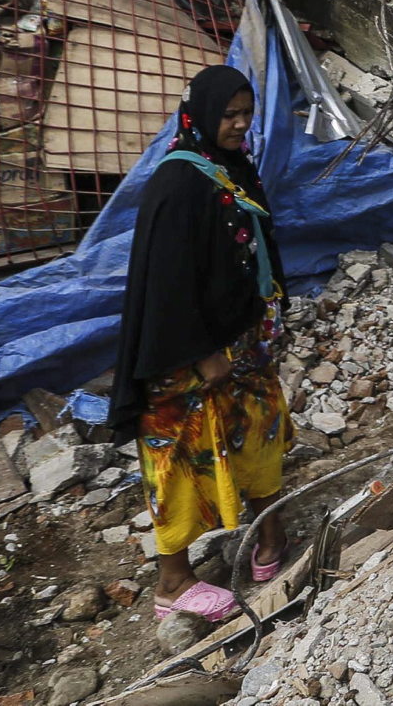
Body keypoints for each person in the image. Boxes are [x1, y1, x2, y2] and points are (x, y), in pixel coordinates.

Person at [110, 66, 290, 623]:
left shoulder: (229, 167)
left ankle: (270, 536)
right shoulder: (177, 184)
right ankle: (172, 581)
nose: (239, 124)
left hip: (242, 342)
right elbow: (164, 282)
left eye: (246, 113)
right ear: (201, 114)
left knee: (258, 431)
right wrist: (200, 351)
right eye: (228, 115)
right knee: (179, 452)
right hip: (185, 354)